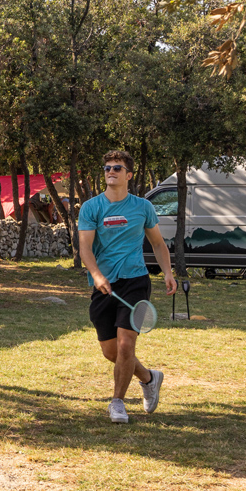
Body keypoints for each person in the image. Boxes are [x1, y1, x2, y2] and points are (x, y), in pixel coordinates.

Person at [78, 150, 177, 424]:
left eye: (117, 168)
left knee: (125, 346)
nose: (111, 171)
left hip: (135, 281)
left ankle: (117, 402)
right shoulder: (91, 207)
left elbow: (157, 243)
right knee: (112, 352)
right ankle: (148, 377)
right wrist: (96, 275)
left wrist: (168, 273)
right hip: (103, 285)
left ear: (129, 175)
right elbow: (85, 246)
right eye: (107, 167)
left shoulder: (142, 207)